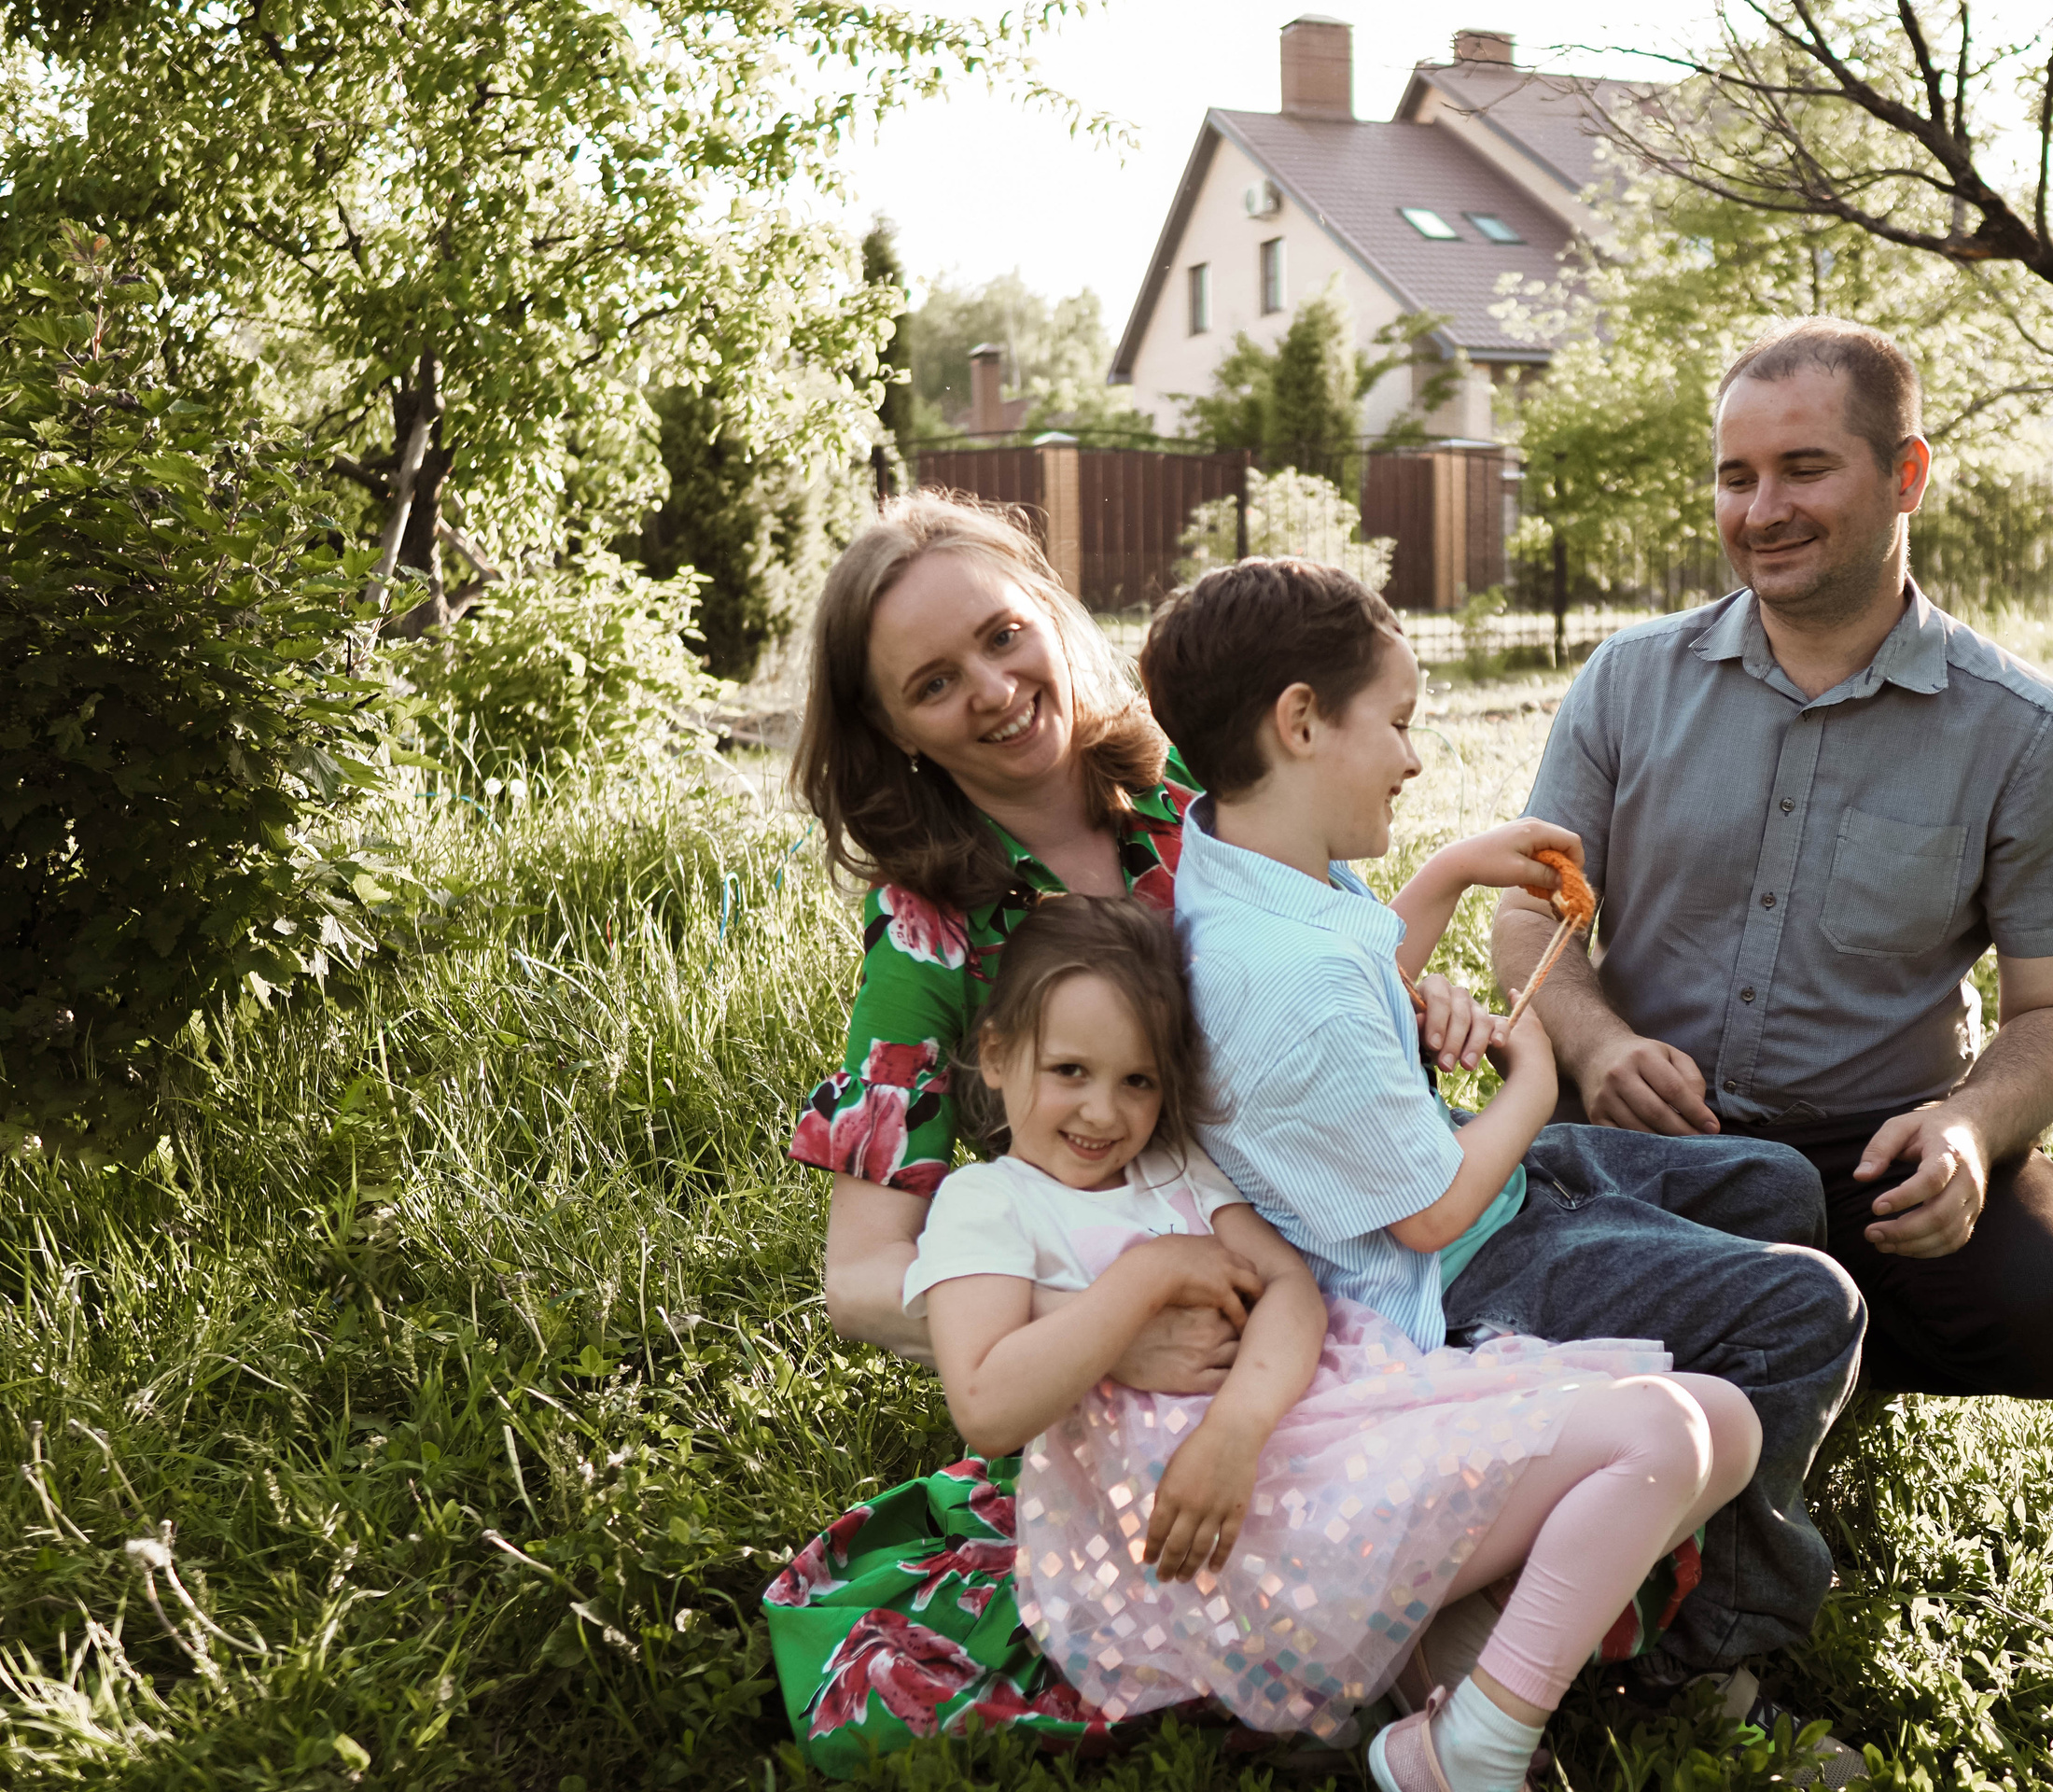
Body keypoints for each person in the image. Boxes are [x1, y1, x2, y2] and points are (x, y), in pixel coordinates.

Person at [773, 492, 1515, 1770]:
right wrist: (1108, 1323)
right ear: (890, 731)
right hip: (1217, 1335)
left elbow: (1330, 982)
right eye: (934, 685)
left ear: (1050, 614)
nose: (994, 691)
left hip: (1380, 1218)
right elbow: (860, 1279)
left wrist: (1417, 991)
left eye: (1003, 636)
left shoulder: (1192, 797)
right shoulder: (927, 939)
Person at [1140, 559, 1868, 1764]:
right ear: (1301, 720)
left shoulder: (1243, 858)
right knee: (1808, 1308)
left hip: (1480, 1192)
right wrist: (1529, 1073)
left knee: (1775, 1185)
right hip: (1451, 1276)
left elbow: (1357, 981)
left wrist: (1447, 875)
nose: (1415, 759)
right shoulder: (1280, 980)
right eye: (1399, 724)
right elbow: (1431, 1213)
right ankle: (1697, 1657)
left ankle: (1672, 1513)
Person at [906, 893, 1758, 1792]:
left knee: (1727, 1423)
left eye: (1138, 1081)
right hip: (1230, 1532)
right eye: (1070, 1071)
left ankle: (1449, 1671)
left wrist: (1239, 1424)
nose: (1103, 1111)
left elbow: (1289, 1291)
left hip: (1303, 1434)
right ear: (995, 1054)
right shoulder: (990, 1203)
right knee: (1659, 1435)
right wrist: (1146, 1277)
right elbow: (987, 1405)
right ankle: (1476, 1748)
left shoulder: (1170, 1164)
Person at [1492, 315, 2053, 1414]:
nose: (1761, 511)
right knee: (1476, 1270)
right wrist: (1597, 1048)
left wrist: (1971, 1127)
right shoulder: (1626, 681)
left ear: (1905, 476)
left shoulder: (2027, 732)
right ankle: (1766, 1335)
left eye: (1803, 468)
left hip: (1870, 1153)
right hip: (1642, 1126)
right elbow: (1527, 916)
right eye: (1735, 477)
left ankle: (1797, 1340)